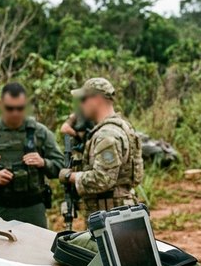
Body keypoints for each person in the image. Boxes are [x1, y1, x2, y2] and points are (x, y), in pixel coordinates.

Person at [0, 83, 64, 228]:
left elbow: (62, 166)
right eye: (10, 108)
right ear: (1, 104)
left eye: (20, 108)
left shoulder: (39, 133)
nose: (15, 113)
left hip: (33, 207)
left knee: (38, 249)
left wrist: (43, 163)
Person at [59, 78, 144, 215]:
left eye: (83, 100)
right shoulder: (120, 127)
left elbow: (102, 179)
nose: (81, 105)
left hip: (110, 215)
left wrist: (70, 176)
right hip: (117, 212)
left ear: (97, 99)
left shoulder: (107, 135)